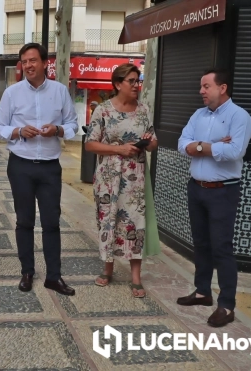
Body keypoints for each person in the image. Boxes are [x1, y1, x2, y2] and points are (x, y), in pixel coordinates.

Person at [0, 43, 78, 296]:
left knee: (51, 222)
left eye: (32, 60)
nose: (28, 65)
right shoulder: (12, 93)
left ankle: (54, 276)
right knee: (24, 221)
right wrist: (17, 131)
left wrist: (58, 130)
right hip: (20, 165)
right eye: (24, 62)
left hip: (50, 167)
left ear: (44, 63)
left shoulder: (60, 91)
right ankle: (27, 272)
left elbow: (72, 124)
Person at [176, 68, 251, 327]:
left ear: (222, 88)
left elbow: (235, 151)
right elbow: (181, 144)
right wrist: (210, 145)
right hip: (196, 187)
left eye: (206, 86)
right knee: (201, 244)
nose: (201, 91)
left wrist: (200, 146)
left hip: (223, 190)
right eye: (201, 86)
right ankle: (202, 292)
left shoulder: (239, 116)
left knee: (221, 247)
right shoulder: (198, 114)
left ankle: (227, 305)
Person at [84, 63, 158, 298]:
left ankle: (136, 277)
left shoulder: (144, 110)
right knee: (109, 221)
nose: (137, 85)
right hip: (108, 178)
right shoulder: (103, 110)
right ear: (118, 84)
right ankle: (108, 269)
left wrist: (148, 141)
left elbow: (154, 142)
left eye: (138, 81)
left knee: (136, 224)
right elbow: (90, 144)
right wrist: (119, 149)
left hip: (135, 179)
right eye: (132, 81)